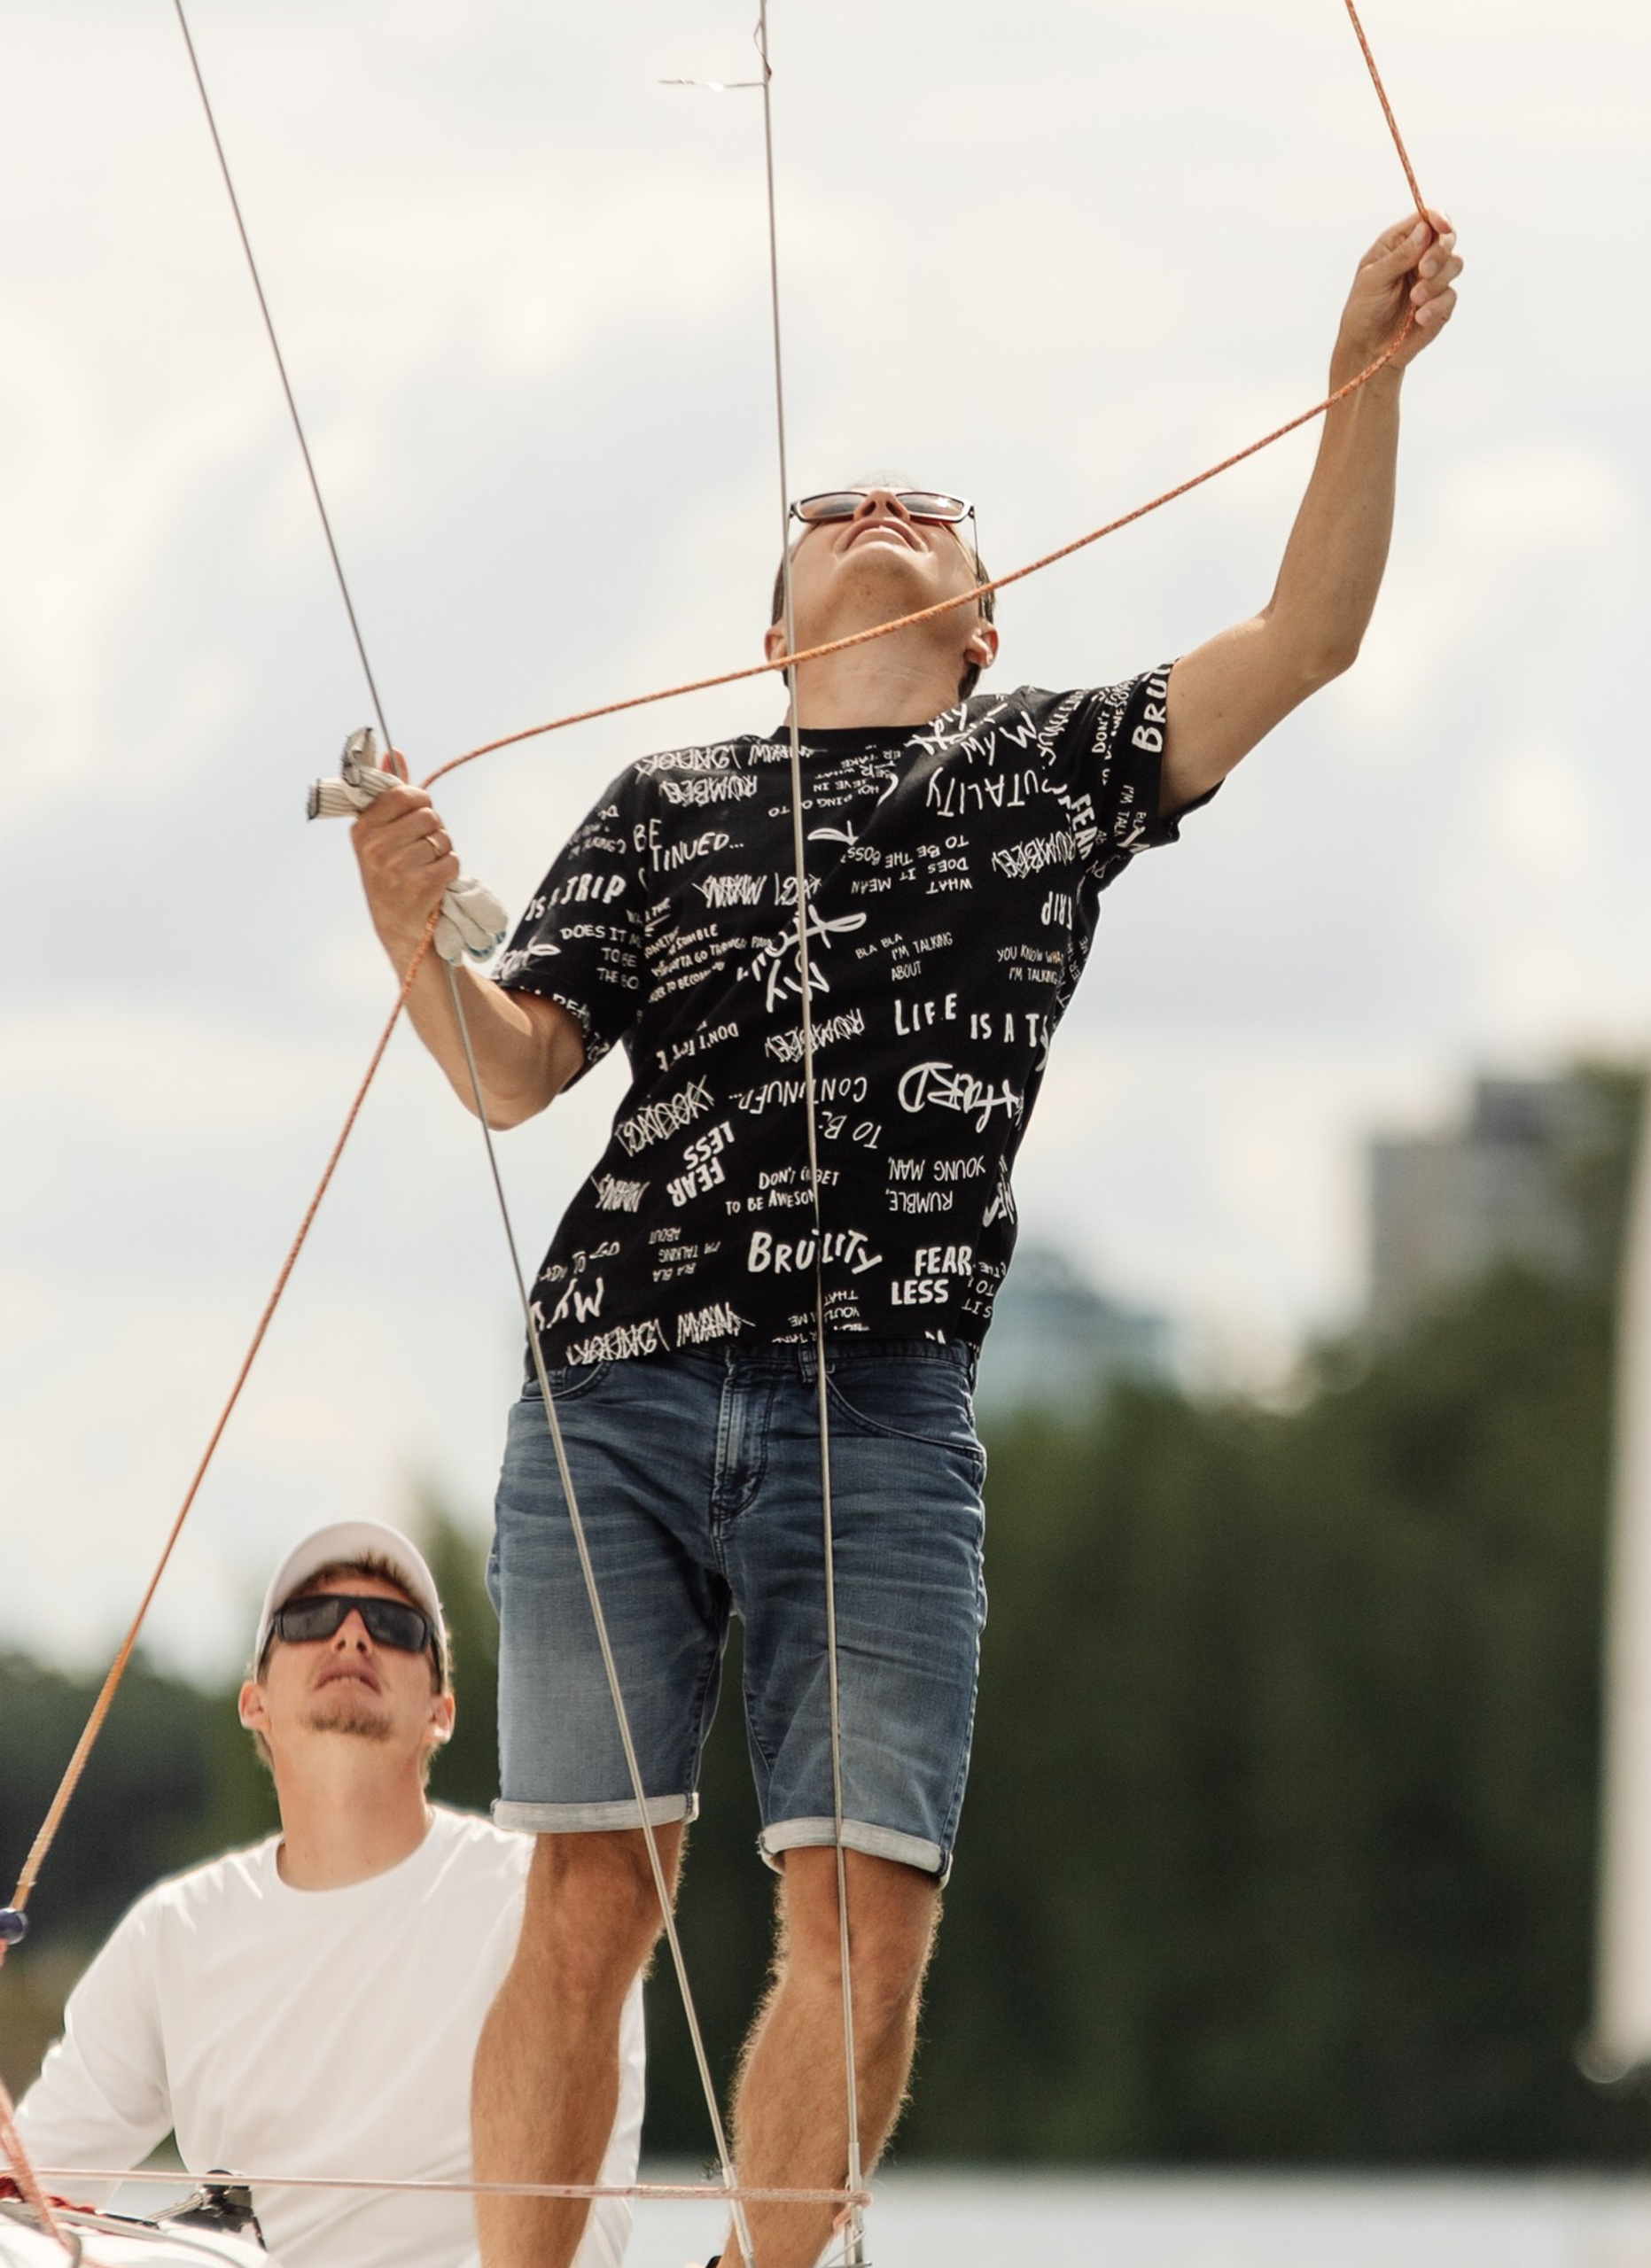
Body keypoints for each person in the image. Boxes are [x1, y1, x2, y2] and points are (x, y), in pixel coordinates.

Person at [347, 207, 1461, 2268]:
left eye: (916, 511)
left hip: (884, 1403)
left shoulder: (1041, 768)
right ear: (773, 629)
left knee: (864, 1905)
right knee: (589, 1891)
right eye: (832, 510)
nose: (869, 514)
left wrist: (1361, 382)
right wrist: (416, 923)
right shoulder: (660, 796)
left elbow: (1303, 634)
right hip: (612, 1387)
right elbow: (511, 1075)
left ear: (977, 621)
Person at [12, 1522, 643, 2268]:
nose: (350, 1636)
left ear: (441, 1710)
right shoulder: (174, 1934)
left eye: (394, 1626)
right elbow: (27, 2194)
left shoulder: (541, 1904)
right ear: (254, 1702)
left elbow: (592, 2224)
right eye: (310, 1620)